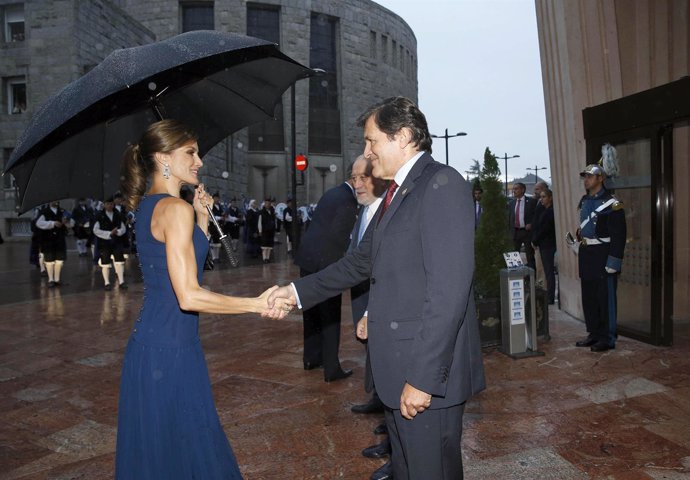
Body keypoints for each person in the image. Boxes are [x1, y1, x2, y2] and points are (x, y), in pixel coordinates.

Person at [269, 97, 486, 479]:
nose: (367, 154)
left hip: (425, 376)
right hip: (397, 370)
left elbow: (449, 291)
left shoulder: (442, 184)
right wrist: (295, 293)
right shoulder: (396, 193)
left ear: (402, 137)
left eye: (372, 142)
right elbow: (360, 263)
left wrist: (422, 379)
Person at [116, 119, 293, 479]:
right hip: (170, 347)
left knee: (169, 450)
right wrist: (256, 303)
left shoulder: (152, 206)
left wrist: (200, 217)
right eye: (191, 152)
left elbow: (181, 272)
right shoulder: (173, 210)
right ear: (163, 157)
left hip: (157, 343)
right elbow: (188, 295)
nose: (199, 161)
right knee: (191, 443)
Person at [348, 154, 393, 480]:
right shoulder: (365, 211)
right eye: (354, 178)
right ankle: (383, 413)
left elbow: (390, 274)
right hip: (364, 298)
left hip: (383, 308)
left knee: (392, 369)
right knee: (378, 362)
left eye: (363, 177)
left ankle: (395, 451)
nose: (357, 183)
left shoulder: (387, 214)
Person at [293, 165, 359, 382]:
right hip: (327, 263)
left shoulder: (332, 193)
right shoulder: (348, 200)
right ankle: (332, 368)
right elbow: (339, 235)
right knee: (330, 317)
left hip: (308, 259)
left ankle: (311, 358)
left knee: (310, 312)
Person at [574, 163, 626, 352]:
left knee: (605, 298)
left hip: (604, 254)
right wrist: (578, 243)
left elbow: (619, 235)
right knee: (589, 297)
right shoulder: (585, 200)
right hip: (588, 254)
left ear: (600, 179)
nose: (586, 180)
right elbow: (585, 227)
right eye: (585, 177)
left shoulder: (613, 204)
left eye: (589, 176)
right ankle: (594, 333)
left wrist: (614, 261)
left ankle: (608, 337)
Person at [93, 196, 128, 291]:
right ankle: (107, 283)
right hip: (105, 243)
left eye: (111, 204)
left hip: (117, 242)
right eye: (107, 204)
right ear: (104, 205)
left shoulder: (118, 215)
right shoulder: (99, 216)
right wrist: (109, 233)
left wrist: (118, 232)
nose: (110, 206)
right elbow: (96, 230)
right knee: (105, 263)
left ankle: (121, 281)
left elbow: (123, 228)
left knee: (119, 262)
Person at [35, 201, 74, 287]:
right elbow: (38, 223)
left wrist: (66, 222)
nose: (56, 202)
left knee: (59, 260)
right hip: (48, 239)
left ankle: (57, 279)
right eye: (54, 200)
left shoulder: (63, 211)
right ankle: (51, 279)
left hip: (60, 238)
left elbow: (71, 223)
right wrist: (53, 223)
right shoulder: (44, 212)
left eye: (57, 200)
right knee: (49, 260)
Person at [532, 188, 556, 304]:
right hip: (543, 244)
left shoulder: (550, 211)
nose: (541, 199)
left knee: (549, 271)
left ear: (550, 198)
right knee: (547, 271)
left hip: (548, 245)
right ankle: (549, 296)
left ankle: (550, 297)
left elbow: (545, 229)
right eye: (540, 197)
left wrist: (535, 241)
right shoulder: (543, 210)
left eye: (544, 197)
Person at [508, 182, 537, 269]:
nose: (514, 191)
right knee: (513, 255)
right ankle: (514, 276)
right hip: (515, 232)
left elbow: (536, 216)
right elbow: (509, 218)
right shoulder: (511, 203)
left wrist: (532, 224)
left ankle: (532, 278)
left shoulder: (531, 202)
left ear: (523, 190)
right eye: (513, 189)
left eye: (516, 189)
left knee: (529, 256)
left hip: (527, 232)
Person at [258, 197, 276, 263]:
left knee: (269, 245)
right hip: (265, 230)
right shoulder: (262, 212)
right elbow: (259, 222)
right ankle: (264, 258)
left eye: (269, 203)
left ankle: (268, 258)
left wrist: (275, 228)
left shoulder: (272, 211)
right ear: (264, 204)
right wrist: (260, 230)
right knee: (264, 245)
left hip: (271, 230)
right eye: (266, 203)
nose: (268, 204)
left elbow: (274, 220)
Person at [209, 192, 225, 262]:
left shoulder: (219, 206)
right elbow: (210, 217)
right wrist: (219, 218)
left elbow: (222, 214)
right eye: (215, 198)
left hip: (219, 226)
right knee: (213, 242)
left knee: (218, 242)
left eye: (218, 198)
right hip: (213, 226)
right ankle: (213, 257)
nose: (217, 199)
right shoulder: (210, 206)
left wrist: (224, 215)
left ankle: (217, 257)